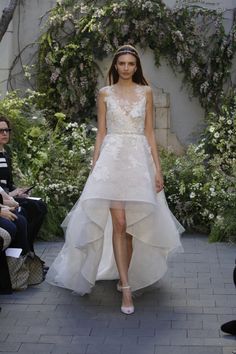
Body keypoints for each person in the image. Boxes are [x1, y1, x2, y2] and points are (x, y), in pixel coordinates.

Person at [46, 45, 184, 314]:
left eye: (131, 64)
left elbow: (150, 133)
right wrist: (95, 165)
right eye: (121, 63)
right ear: (115, 66)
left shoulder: (145, 92)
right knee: (119, 223)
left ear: (136, 67)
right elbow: (101, 132)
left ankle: (124, 277)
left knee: (130, 226)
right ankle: (126, 286)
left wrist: (158, 169)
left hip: (137, 162)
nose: (126, 68)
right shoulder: (104, 93)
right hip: (111, 161)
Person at [0, 116, 47, 254]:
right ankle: (25, 254)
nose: (4, 133)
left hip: (9, 196)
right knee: (29, 210)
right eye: (1, 130)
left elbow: (9, 183)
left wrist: (19, 191)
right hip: (3, 198)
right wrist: (11, 195)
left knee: (40, 206)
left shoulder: (6, 155)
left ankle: (29, 251)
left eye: (7, 130)